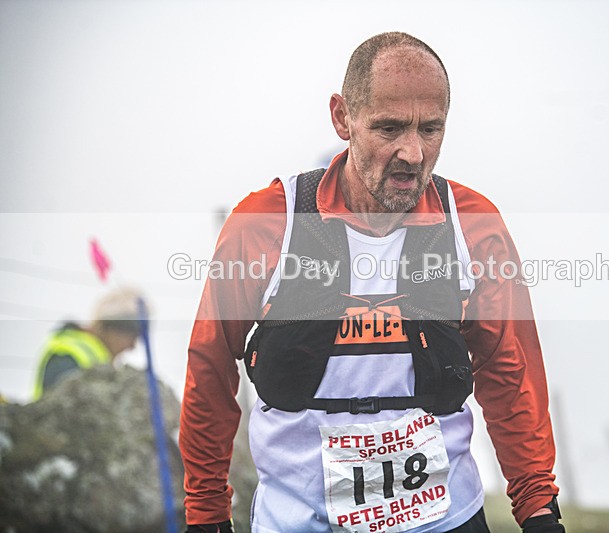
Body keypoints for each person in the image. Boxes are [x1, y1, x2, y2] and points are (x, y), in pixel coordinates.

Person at [180, 32, 564, 533]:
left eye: (431, 129)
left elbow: (511, 375)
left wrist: (537, 509)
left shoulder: (473, 224)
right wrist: (205, 516)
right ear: (342, 117)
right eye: (389, 128)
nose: (412, 152)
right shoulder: (267, 223)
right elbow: (210, 369)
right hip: (300, 521)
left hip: (445, 518)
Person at [33, 287, 146, 400]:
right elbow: (58, 407)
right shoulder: (67, 356)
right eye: (132, 336)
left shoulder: (98, 358)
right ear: (110, 328)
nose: (132, 346)